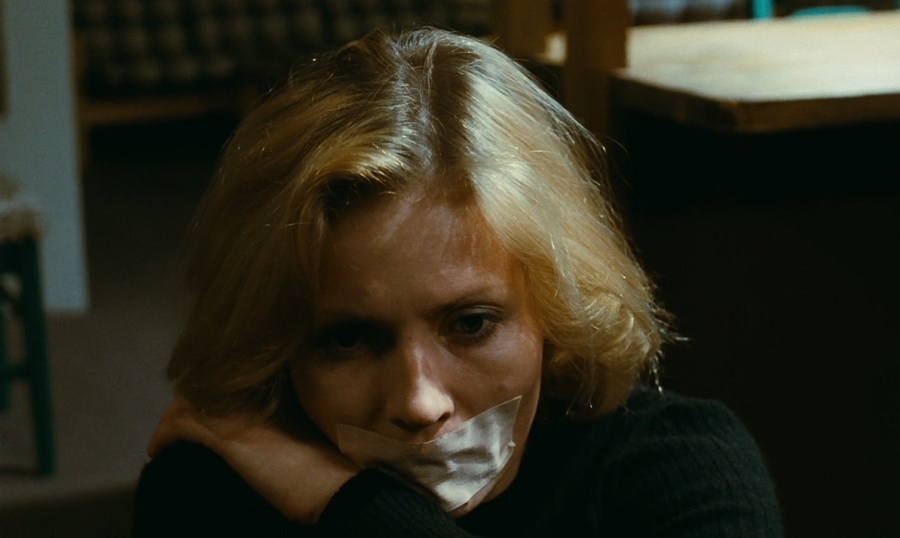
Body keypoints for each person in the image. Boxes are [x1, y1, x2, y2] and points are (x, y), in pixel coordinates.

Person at [133, 27, 781, 537]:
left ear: (554, 309)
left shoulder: (684, 471)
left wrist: (349, 503)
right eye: (347, 340)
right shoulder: (214, 492)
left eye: (471, 325)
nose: (419, 404)